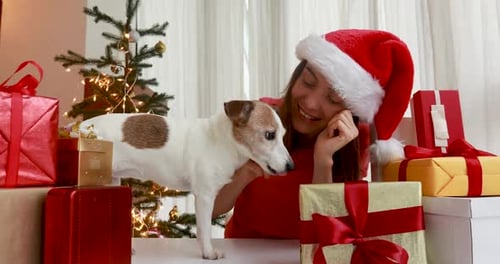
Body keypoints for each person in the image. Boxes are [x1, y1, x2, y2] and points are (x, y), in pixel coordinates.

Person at [213, 29, 415, 239]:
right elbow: (212, 210)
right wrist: (243, 174)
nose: (310, 103)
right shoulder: (262, 118)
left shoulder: (353, 141)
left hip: (308, 254)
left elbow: (326, 231)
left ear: (350, 111)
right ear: (297, 76)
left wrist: (323, 160)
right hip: (243, 252)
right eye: (308, 82)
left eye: (333, 99)